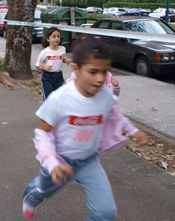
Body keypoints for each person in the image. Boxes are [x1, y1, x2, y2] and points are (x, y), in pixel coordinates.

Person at [21, 35, 148, 220]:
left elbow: (114, 114)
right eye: (93, 71)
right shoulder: (60, 98)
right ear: (76, 69)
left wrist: (134, 131)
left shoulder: (104, 95)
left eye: (104, 72)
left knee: (106, 213)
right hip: (59, 161)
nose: (100, 79)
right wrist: (52, 163)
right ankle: (31, 197)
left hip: (89, 161)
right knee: (44, 191)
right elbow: (42, 132)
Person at [35, 27, 71, 100]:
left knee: (58, 97)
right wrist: (44, 68)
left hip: (58, 75)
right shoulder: (45, 52)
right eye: (54, 37)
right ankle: (47, 110)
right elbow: (38, 65)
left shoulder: (62, 49)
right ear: (48, 39)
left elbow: (61, 58)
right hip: (47, 76)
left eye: (58, 37)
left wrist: (66, 61)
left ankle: (56, 111)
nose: (56, 39)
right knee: (48, 98)